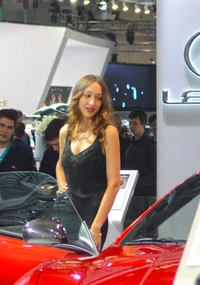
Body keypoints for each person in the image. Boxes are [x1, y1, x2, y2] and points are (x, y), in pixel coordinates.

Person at [56, 74, 120, 250]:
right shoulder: (65, 132)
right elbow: (61, 163)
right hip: (66, 213)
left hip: (93, 217)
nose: (92, 103)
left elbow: (114, 184)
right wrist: (61, 183)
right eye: (88, 95)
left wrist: (97, 227)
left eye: (98, 98)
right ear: (77, 97)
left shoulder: (108, 132)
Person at [123, 109, 156, 226]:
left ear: (143, 124)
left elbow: (155, 174)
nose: (132, 126)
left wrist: (137, 182)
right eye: (130, 123)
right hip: (132, 194)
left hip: (146, 195)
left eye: (135, 123)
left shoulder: (150, 146)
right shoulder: (129, 144)